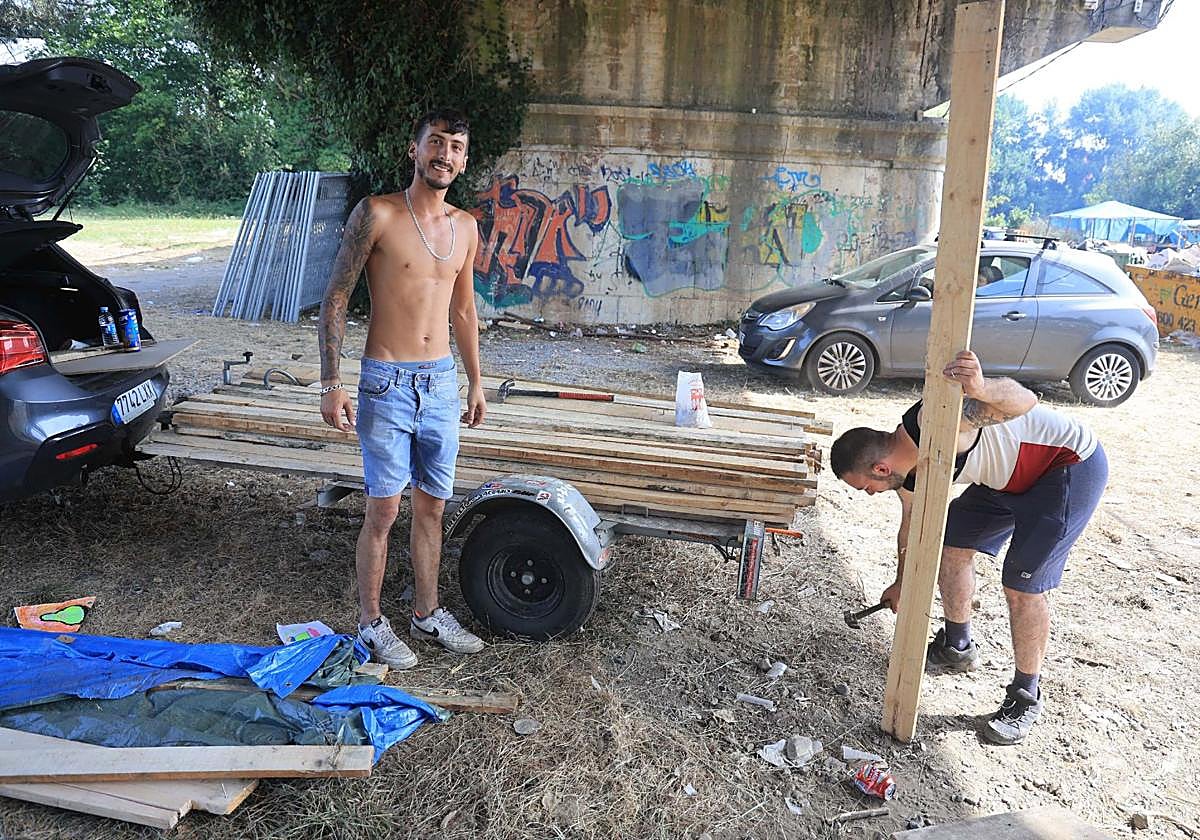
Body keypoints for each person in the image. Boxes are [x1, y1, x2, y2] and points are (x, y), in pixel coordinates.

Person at [829, 350, 1107, 745]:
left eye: (864, 487)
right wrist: (902, 582)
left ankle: (1026, 695)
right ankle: (957, 646)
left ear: (880, 469)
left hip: (1064, 467)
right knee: (948, 544)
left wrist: (980, 388)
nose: (870, 494)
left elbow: (1024, 400)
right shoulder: (910, 473)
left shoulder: (936, 423)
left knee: (1022, 586)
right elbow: (911, 529)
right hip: (1004, 480)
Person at [317, 109, 486, 669]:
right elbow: (337, 296)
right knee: (383, 510)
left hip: (440, 383)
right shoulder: (379, 213)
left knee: (433, 508)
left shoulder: (465, 227)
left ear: (464, 159)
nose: (445, 155)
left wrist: (475, 382)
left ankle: (426, 611)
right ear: (414, 151)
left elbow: (463, 308)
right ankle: (369, 622)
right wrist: (332, 381)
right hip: (385, 381)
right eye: (435, 143)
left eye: (456, 147)